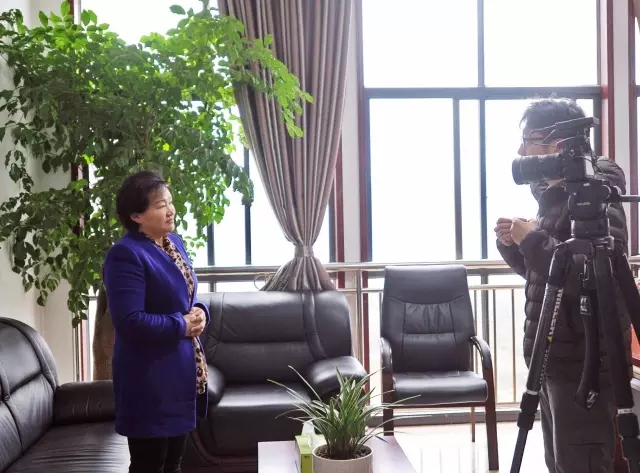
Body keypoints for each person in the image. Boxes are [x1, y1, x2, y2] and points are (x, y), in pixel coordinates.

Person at [495, 97, 631, 473]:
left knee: (580, 462)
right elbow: (548, 274)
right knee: (558, 462)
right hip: (553, 359)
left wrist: (531, 238)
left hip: (585, 365)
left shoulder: (596, 196)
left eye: (528, 140)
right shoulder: (555, 196)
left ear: (557, 143)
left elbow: (591, 278)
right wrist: (515, 244)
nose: (521, 152)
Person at [103, 170, 210, 473]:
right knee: (149, 465)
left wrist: (200, 311)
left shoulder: (173, 242)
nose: (171, 210)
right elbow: (129, 321)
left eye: (170, 202)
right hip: (149, 382)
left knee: (174, 464)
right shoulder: (125, 254)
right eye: (161, 205)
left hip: (181, 377)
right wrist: (182, 325)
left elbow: (184, 296)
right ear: (136, 215)